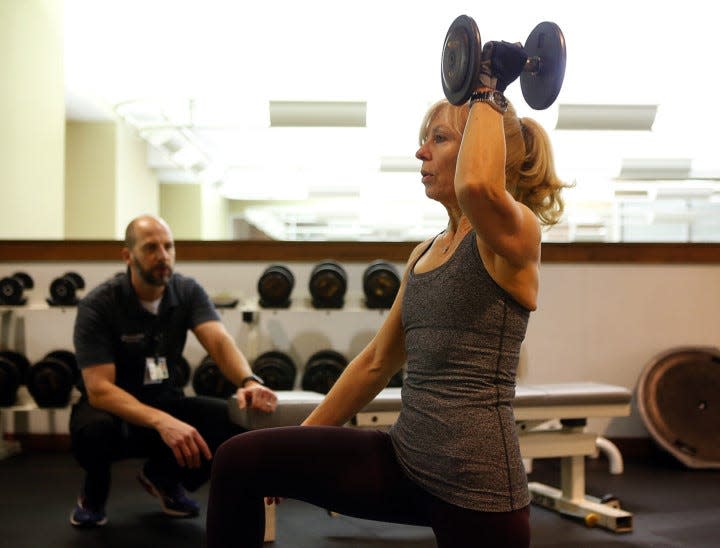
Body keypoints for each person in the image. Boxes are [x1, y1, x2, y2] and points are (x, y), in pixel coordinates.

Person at [206, 41, 569, 548]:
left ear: (477, 152)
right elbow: (376, 361)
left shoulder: (514, 237)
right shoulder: (425, 252)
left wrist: (487, 91)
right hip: (406, 459)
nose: (420, 152)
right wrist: (300, 449)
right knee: (241, 460)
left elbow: (479, 190)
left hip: (477, 483)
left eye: (438, 139)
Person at [69, 214, 278, 528]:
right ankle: (93, 494)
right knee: (94, 432)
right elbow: (99, 389)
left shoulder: (186, 291)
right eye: (151, 247)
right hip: (113, 408)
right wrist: (162, 422)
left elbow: (219, 342)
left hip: (162, 397)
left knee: (233, 421)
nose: (163, 255)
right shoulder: (99, 304)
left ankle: (163, 478)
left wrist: (247, 381)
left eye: (168, 246)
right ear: (128, 256)